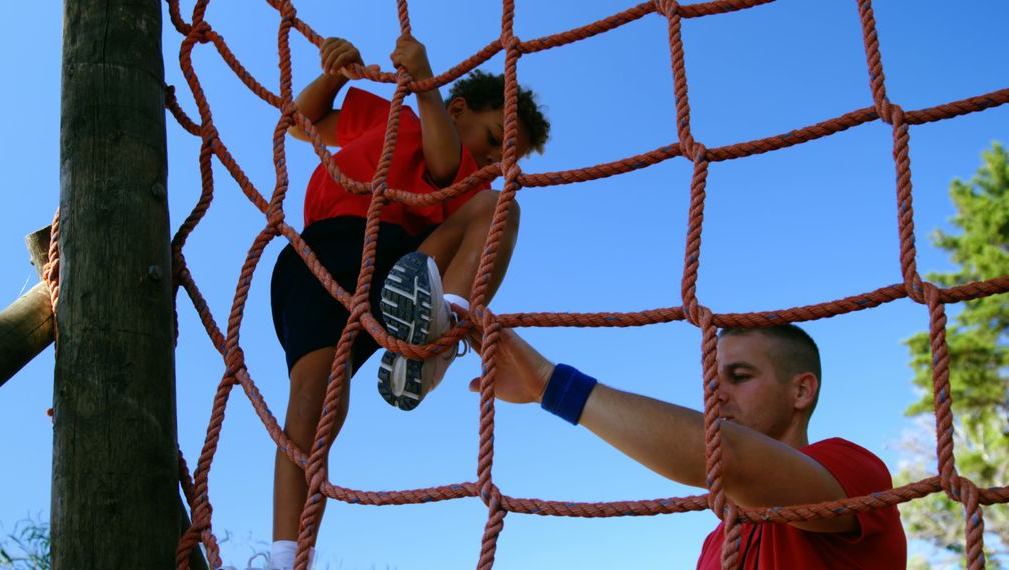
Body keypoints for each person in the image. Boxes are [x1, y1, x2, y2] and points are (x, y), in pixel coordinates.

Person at [266, 34, 550, 569]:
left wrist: (425, 83)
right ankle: (285, 557)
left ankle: (442, 333)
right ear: (460, 108)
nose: (492, 159)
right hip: (321, 251)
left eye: (502, 155)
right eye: (493, 140)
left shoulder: (464, 174)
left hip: (398, 265)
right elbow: (299, 122)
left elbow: (444, 167)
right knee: (317, 401)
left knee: (500, 208)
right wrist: (336, 72)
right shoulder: (394, 118)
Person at [466, 324, 907, 569]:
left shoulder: (854, 470)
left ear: (801, 392)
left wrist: (549, 385)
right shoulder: (716, 542)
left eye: (740, 377)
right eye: (712, 382)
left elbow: (725, 459)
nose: (715, 395)